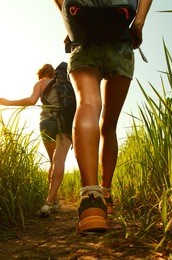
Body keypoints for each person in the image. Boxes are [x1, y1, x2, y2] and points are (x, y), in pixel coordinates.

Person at [55, 0, 153, 233]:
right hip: (120, 41)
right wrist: (138, 23)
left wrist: (71, 25)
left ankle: (91, 200)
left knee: (88, 104)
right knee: (109, 125)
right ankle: (106, 195)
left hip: (83, 41)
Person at [0, 63, 73, 217]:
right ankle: (50, 201)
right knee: (59, 160)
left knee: (52, 161)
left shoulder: (40, 84)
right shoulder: (65, 84)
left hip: (46, 123)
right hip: (64, 122)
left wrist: (9, 102)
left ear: (41, 73)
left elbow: (32, 101)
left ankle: (53, 200)